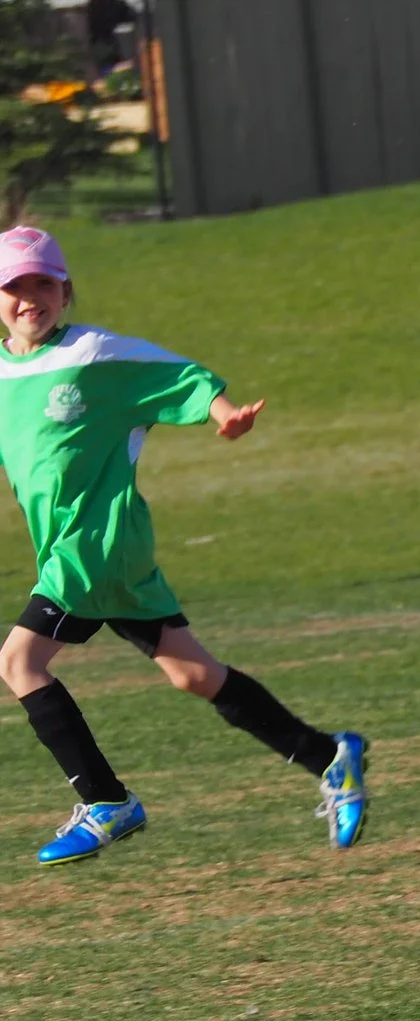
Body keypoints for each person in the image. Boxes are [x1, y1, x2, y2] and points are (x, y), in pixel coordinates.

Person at [0, 226, 367, 864]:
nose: (31, 297)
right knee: (193, 675)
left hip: (98, 544)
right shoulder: (4, 373)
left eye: (44, 284)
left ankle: (106, 800)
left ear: (66, 291)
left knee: (19, 664)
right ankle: (329, 757)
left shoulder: (95, 355)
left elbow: (181, 376)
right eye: (15, 286)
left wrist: (221, 412)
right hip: (93, 551)